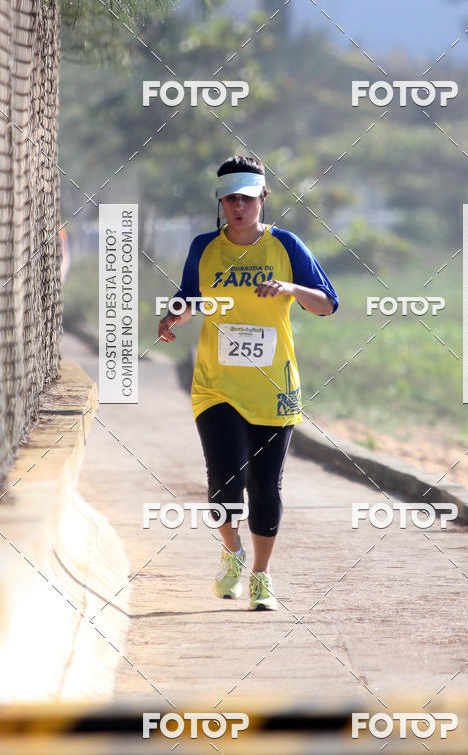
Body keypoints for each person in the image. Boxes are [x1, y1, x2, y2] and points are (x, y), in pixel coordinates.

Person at [158, 154, 338, 611]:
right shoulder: (204, 247)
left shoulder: (286, 246)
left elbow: (327, 304)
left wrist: (291, 289)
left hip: (273, 386)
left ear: (263, 198)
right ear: (220, 201)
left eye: (246, 198)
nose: (238, 207)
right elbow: (189, 297)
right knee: (223, 479)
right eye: (230, 199)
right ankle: (231, 550)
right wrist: (174, 316)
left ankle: (260, 575)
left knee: (264, 485)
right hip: (215, 384)